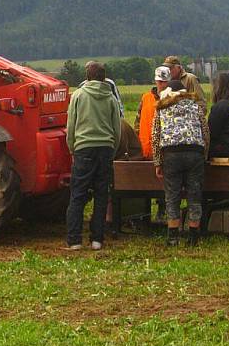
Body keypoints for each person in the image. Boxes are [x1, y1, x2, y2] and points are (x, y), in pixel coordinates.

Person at [65, 61, 121, 251]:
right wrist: (111, 151)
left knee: (78, 195)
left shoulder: (79, 95)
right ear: (103, 77)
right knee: (101, 195)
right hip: (105, 149)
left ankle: (74, 240)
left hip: (83, 148)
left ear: (87, 76)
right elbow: (117, 129)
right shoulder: (111, 98)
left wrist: (73, 149)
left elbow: (71, 126)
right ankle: (97, 239)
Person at [152, 79, 209, 246]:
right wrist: (203, 155)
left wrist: (157, 162)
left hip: (171, 154)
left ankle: (173, 237)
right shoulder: (195, 107)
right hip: (195, 152)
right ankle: (193, 236)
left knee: (172, 195)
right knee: (194, 194)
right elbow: (205, 132)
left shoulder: (162, 108)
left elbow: (156, 136)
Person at [134, 66, 171, 159]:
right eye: (160, 82)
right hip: (146, 150)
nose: (163, 85)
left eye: (165, 82)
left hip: (167, 151)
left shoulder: (173, 99)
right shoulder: (146, 98)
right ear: (156, 81)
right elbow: (137, 122)